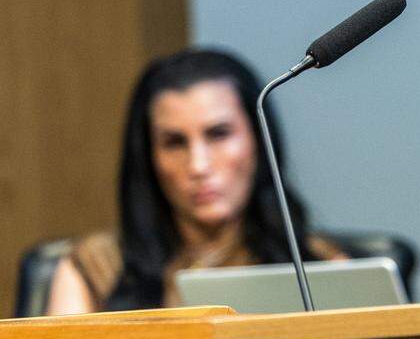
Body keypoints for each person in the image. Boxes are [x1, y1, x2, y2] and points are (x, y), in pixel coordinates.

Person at [45, 48, 345, 315]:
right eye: (174, 143)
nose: (198, 166)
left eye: (218, 134)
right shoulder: (96, 265)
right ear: (148, 156)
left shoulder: (319, 266)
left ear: (259, 140)